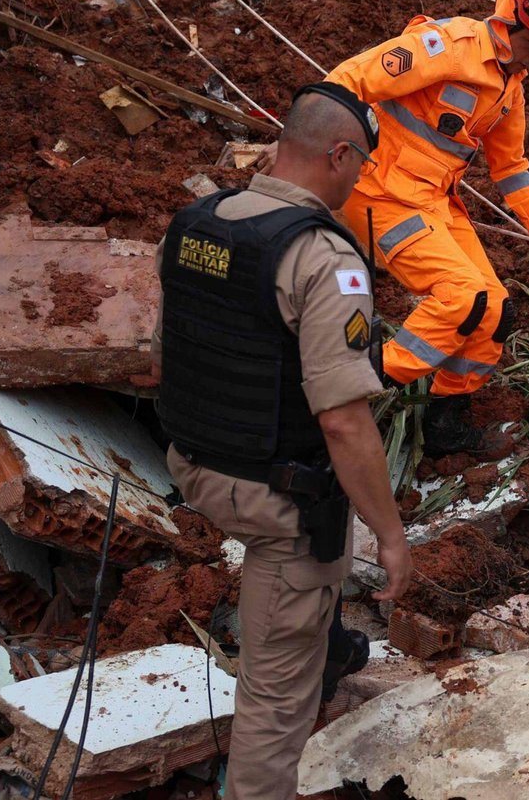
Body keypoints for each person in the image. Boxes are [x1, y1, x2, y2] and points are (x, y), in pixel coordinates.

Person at [154, 84, 413, 800]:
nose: (360, 180)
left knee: (301, 635)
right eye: (360, 165)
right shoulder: (325, 259)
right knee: (274, 701)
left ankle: (319, 646)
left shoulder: (198, 224)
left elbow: (163, 353)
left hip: (193, 461)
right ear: (338, 153)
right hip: (280, 501)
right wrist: (389, 535)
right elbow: (342, 419)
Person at [324, 0, 529, 452]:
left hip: (434, 202)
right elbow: (350, 79)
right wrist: (313, 146)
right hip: (380, 191)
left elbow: (511, 167)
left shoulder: (511, 87)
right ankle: (347, 386)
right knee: (462, 298)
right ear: (511, 23)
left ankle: (444, 426)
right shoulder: (447, 45)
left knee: (494, 311)